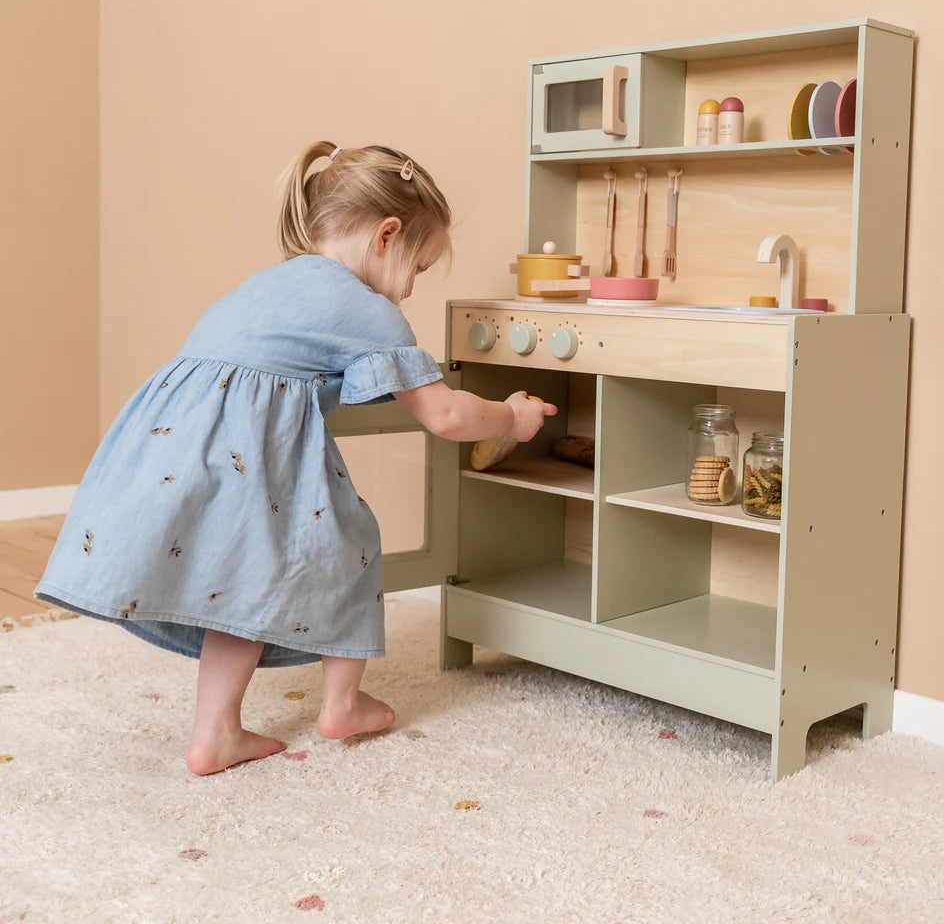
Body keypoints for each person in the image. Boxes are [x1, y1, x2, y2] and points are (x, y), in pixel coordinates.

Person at [34, 141, 557, 775]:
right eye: (420, 266)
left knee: (241, 581)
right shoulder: (370, 313)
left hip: (171, 444)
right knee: (354, 544)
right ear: (387, 235)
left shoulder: (271, 284)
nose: (412, 288)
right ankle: (341, 703)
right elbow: (445, 415)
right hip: (242, 455)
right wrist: (511, 416)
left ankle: (216, 732)